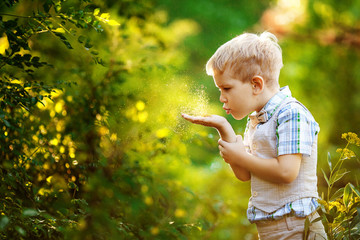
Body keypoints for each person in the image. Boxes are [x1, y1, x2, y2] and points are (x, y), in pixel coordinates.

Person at [182, 32, 327, 240]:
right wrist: (223, 128)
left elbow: (286, 172)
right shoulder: (257, 121)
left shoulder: (291, 113)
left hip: (297, 228)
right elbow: (245, 174)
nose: (222, 97)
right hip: (270, 230)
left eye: (227, 88)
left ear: (256, 85)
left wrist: (239, 156)